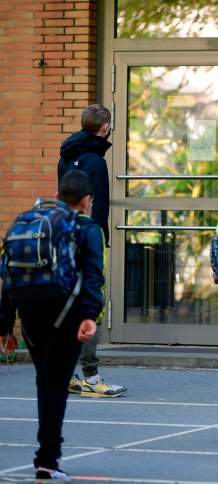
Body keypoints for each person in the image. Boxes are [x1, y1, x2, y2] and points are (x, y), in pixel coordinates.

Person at [0, 170, 105, 480]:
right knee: (56, 385)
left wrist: (5, 326)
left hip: (30, 312)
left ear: (59, 196)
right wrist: (89, 315)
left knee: (45, 381)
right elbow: (93, 276)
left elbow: (8, 275)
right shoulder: (88, 229)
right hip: (67, 314)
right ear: (87, 200)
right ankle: (47, 459)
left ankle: (47, 456)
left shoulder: (32, 224)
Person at [58, 104, 126, 398]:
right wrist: (98, 237)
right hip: (89, 234)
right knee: (91, 301)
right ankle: (91, 376)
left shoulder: (67, 156)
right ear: (106, 128)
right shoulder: (96, 162)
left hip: (63, 230)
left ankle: (67, 372)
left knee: (68, 301)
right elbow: (96, 206)